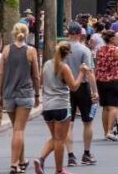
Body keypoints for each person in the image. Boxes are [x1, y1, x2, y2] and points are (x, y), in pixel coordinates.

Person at [32, 41, 89, 174]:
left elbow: (41, 82)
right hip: (61, 105)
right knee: (59, 140)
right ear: (67, 53)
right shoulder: (64, 67)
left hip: (47, 106)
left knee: (54, 137)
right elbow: (74, 87)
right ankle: (59, 169)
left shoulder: (46, 65)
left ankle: (40, 160)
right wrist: (81, 72)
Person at [1, 22, 40, 173]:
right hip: (25, 94)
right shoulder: (31, 51)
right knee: (19, 130)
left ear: (13, 32)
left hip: (9, 94)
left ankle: (22, 161)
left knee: (17, 129)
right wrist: (37, 93)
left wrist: (1, 93)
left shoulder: (5, 50)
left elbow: (0, 74)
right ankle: (14, 163)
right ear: (27, 32)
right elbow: (35, 76)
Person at [64, 24, 98, 167]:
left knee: (68, 123)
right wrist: (95, 91)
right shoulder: (85, 50)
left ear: (68, 34)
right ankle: (86, 153)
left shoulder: (62, 50)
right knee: (87, 121)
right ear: (80, 34)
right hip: (82, 87)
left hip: (66, 87)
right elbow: (89, 73)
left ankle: (70, 155)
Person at [94, 30, 118, 141]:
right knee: (113, 106)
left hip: (101, 81)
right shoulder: (117, 50)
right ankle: (110, 131)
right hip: (114, 80)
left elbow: (97, 64)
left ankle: (105, 132)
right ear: (112, 39)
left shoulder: (99, 50)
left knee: (105, 107)